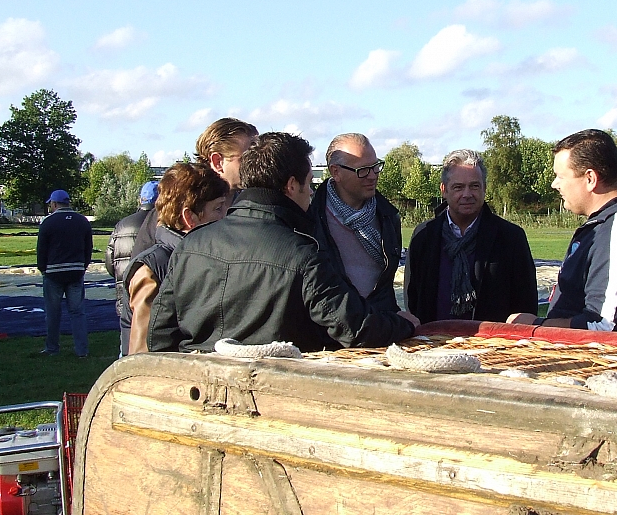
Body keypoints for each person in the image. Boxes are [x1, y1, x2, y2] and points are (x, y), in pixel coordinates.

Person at [148, 132, 418, 353]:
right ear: (291, 185)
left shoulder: (191, 245)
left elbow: (160, 333)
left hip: (196, 386)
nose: (310, 193)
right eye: (308, 183)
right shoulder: (303, 255)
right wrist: (403, 324)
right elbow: (353, 328)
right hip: (272, 389)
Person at [508, 129, 617, 334]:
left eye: (561, 176)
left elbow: (606, 326)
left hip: (595, 355)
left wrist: (535, 324)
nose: (555, 184)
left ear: (590, 178)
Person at [405, 149, 538, 324]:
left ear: (484, 188)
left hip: (492, 340)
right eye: (458, 187)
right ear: (444, 190)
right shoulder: (424, 236)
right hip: (432, 339)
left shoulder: (510, 237)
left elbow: (526, 305)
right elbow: (412, 299)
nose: (467, 194)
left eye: (474, 186)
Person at [123, 164, 229, 355]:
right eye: (218, 208)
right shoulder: (151, 270)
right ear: (189, 217)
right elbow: (142, 356)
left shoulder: (200, 259)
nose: (225, 217)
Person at [129, 117, 258, 261]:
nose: (255, 165)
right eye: (246, 158)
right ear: (217, 161)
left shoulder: (251, 207)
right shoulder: (169, 210)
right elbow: (141, 267)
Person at [308, 133, 401, 312]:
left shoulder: (389, 217)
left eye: (375, 167)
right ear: (336, 172)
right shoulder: (311, 219)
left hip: (382, 319)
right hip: (332, 321)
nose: (372, 176)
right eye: (363, 170)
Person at [36, 190, 93, 357]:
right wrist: (83, 266)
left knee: (53, 313)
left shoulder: (48, 222)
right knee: (77, 313)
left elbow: (41, 249)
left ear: (54, 204)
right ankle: (82, 350)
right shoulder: (82, 221)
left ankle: (52, 348)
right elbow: (88, 247)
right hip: (76, 271)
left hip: (53, 272)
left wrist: (43, 269)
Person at [106, 180, 159, 356]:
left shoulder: (122, 224)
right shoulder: (159, 224)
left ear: (140, 199)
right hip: (152, 293)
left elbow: (110, 260)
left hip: (125, 290)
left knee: (127, 338)